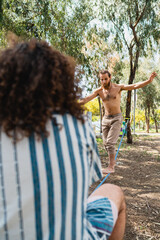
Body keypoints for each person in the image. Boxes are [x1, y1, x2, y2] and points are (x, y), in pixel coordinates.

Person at [0, 39, 126, 240]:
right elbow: (86, 180)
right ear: (60, 82)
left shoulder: (116, 88)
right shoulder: (78, 125)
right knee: (112, 190)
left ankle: (112, 164)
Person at [80, 70, 157, 174]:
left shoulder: (118, 87)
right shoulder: (99, 91)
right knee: (105, 144)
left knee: (110, 143)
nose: (103, 81)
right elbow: (85, 99)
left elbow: (134, 86)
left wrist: (148, 81)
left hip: (116, 118)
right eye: (101, 79)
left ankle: (111, 167)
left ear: (110, 78)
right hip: (105, 119)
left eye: (105, 79)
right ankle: (111, 164)